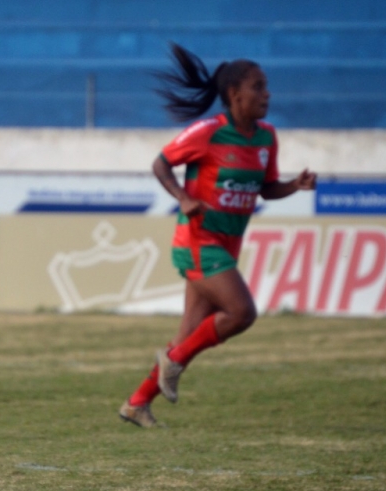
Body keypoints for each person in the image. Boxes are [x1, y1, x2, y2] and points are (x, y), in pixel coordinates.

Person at [119, 43, 316, 428]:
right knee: (241, 313)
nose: (267, 94)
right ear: (234, 94)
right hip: (197, 242)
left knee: (189, 334)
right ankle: (173, 362)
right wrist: (183, 198)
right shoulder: (208, 132)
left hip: (227, 245)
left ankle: (137, 403)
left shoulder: (266, 138)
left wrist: (294, 185)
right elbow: (160, 163)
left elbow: (266, 188)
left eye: (266, 86)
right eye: (258, 87)